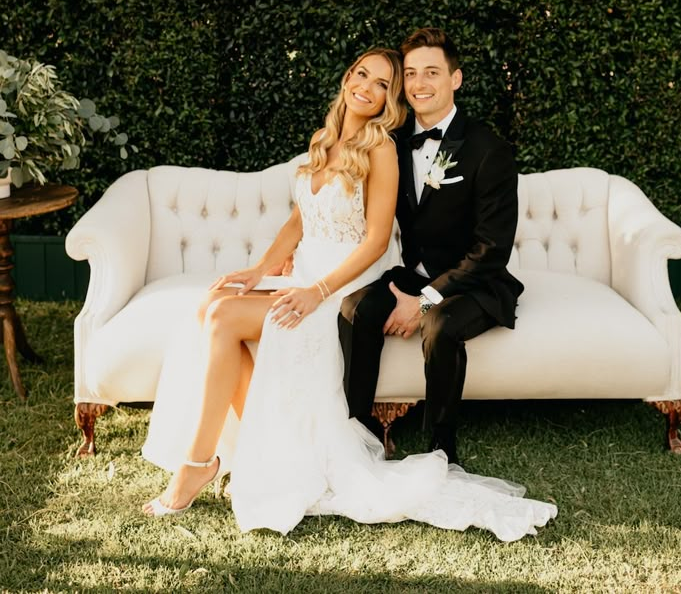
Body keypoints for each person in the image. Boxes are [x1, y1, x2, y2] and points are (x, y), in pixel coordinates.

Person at [141, 44, 556, 540]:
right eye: (366, 75)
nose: (370, 87)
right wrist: (258, 269)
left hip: (353, 281)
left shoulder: (393, 146)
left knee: (224, 319)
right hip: (319, 272)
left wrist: (321, 291)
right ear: (346, 77)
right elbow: (301, 217)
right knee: (211, 306)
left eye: (384, 83)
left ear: (450, 80)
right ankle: (257, 447)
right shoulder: (327, 138)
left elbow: (387, 239)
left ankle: (199, 463)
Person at [340, 28, 523, 466]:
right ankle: (360, 432)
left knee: (439, 325)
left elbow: (491, 249)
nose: (420, 84)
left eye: (432, 73)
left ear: (455, 79)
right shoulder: (394, 139)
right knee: (355, 308)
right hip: (416, 271)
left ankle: (443, 447)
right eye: (412, 74)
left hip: (476, 281)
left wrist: (423, 302)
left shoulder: (488, 149)